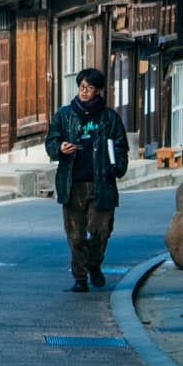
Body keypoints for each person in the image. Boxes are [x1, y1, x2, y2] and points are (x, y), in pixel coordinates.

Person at [45, 67, 130, 292]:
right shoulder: (64, 115)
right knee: (75, 234)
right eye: (81, 87)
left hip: (102, 181)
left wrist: (117, 168)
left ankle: (94, 264)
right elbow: (51, 142)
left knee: (101, 230)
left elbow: (121, 146)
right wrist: (60, 148)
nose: (84, 91)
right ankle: (80, 278)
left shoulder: (109, 117)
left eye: (89, 88)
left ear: (98, 91)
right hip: (72, 183)